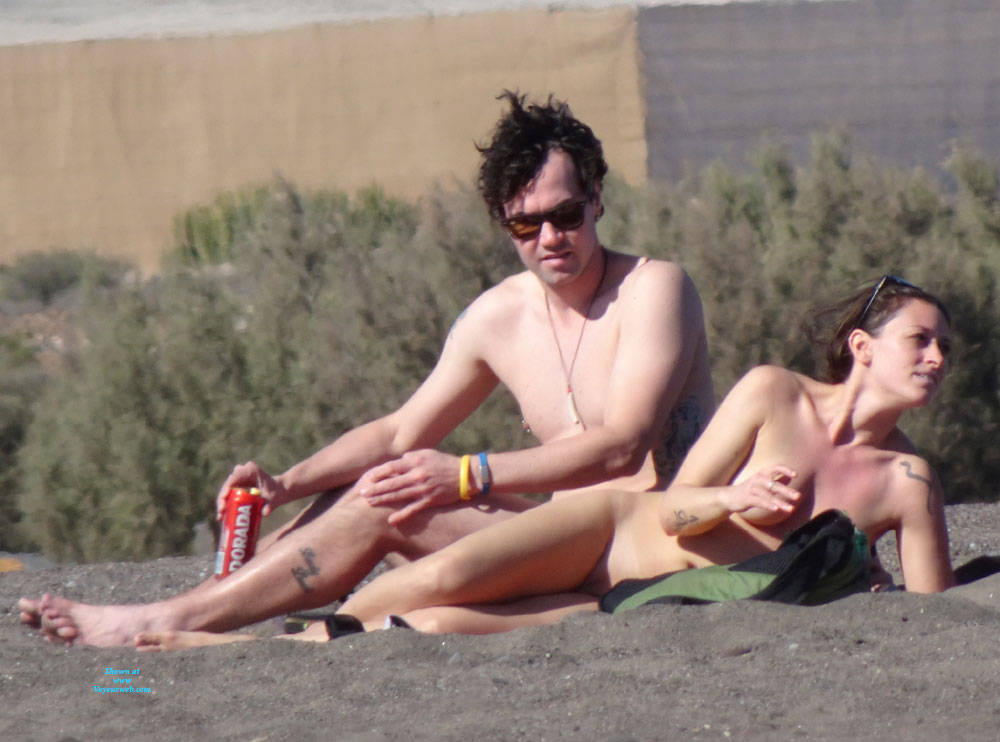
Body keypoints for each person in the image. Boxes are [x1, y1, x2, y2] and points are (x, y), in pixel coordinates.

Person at [19, 91, 714, 647]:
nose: (550, 238)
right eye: (525, 226)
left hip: (637, 549)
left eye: (565, 215)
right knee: (381, 481)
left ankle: (164, 618)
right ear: (502, 222)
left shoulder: (654, 289)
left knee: (393, 494)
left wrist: (465, 474)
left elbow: (623, 445)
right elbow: (398, 432)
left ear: (597, 197)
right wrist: (286, 484)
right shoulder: (500, 317)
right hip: (555, 547)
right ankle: (191, 610)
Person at [132, 274, 956, 649]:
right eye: (920, 340)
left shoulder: (908, 484)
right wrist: (732, 499)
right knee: (439, 579)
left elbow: (937, 617)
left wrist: (866, 587)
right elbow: (675, 504)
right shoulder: (774, 394)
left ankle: (256, 650)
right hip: (611, 531)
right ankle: (211, 626)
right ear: (862, 346)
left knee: (436, 628)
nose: (936, 359)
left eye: (945, 347)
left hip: (645, 602)